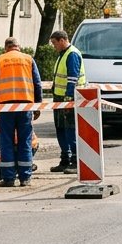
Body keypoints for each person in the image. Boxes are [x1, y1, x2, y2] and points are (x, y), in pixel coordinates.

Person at [0, 37, 42, 187]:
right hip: (25, 106)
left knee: (6, 141)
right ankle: (25, 178)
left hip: (6, 106)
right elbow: (37, 83)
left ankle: (9, 178)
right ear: (19, 47)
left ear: (6, 48)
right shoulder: (28, 59)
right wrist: (37, 105)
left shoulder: (0, 60)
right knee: (25, 140)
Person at [48, 29, 85, 174]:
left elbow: (72, 78)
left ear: (62, 40)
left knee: (70, 129)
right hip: (59, 98)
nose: (54, 46)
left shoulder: (72, 54)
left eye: (54, 43)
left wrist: (69, 98)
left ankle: (75, 161)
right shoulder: (63, 54)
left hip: (68, 98)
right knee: (60, 129)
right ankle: (65, 159)